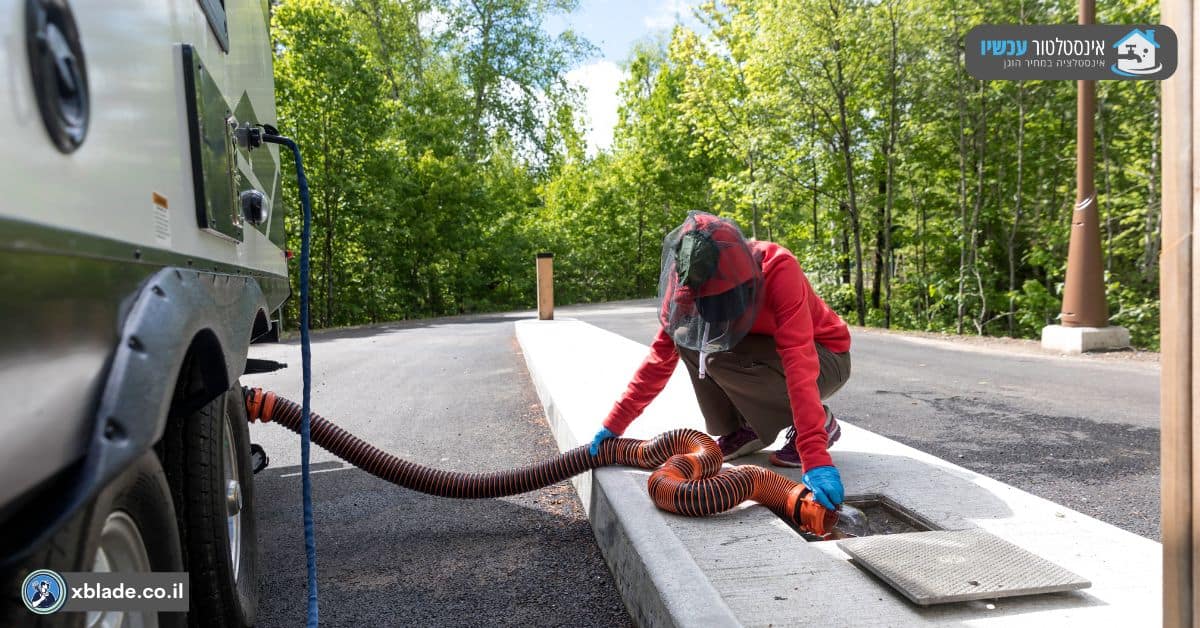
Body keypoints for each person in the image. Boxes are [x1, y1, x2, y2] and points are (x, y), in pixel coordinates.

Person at [588, 211, 852, 511]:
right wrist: (615, 423)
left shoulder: (778, 267)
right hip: (766, 352)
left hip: (825, 357)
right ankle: (745, 428)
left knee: (718, 354)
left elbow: (799, 362)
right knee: (687, 337)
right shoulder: (686, 280)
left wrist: (814, 455)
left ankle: (823, 422)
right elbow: (660, 358)